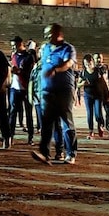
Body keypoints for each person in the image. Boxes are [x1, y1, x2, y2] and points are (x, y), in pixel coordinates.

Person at [30, 24, 78, 165]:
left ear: (58, 34)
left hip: (63, 90)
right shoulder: (45, 48)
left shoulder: (68, 48)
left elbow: (68, 63)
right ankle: (44, 154)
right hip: (47, 91)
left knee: (66, 122)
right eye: (45, 33)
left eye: (49, 33)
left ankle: (71, 153)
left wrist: (55, 70)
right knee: (46, 123)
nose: (47, 36)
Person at [9, 36, 35, 142]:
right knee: (12, 112)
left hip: (26, 88)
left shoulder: (29, 56)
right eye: (12, 46)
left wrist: (19, 71)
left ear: (20, 44)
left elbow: (30, 73)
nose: (13, 48)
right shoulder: (14, 55)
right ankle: (10, 135)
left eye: (14, 45)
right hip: (14, 87)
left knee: (28, 113)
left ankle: (30, 136)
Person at [78, 54, 105, 139]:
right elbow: (78, 84)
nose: (88, 65)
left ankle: (100, 125)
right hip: (88, 95)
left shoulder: (98, 71)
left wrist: (106, 94)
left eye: (89, 63)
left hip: (98, 95)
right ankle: (91, 131)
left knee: (98, 113)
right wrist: (82, 83)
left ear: (92, 62)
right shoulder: (83, 72)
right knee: (89, 113)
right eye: (86, 64)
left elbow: (104, 82)